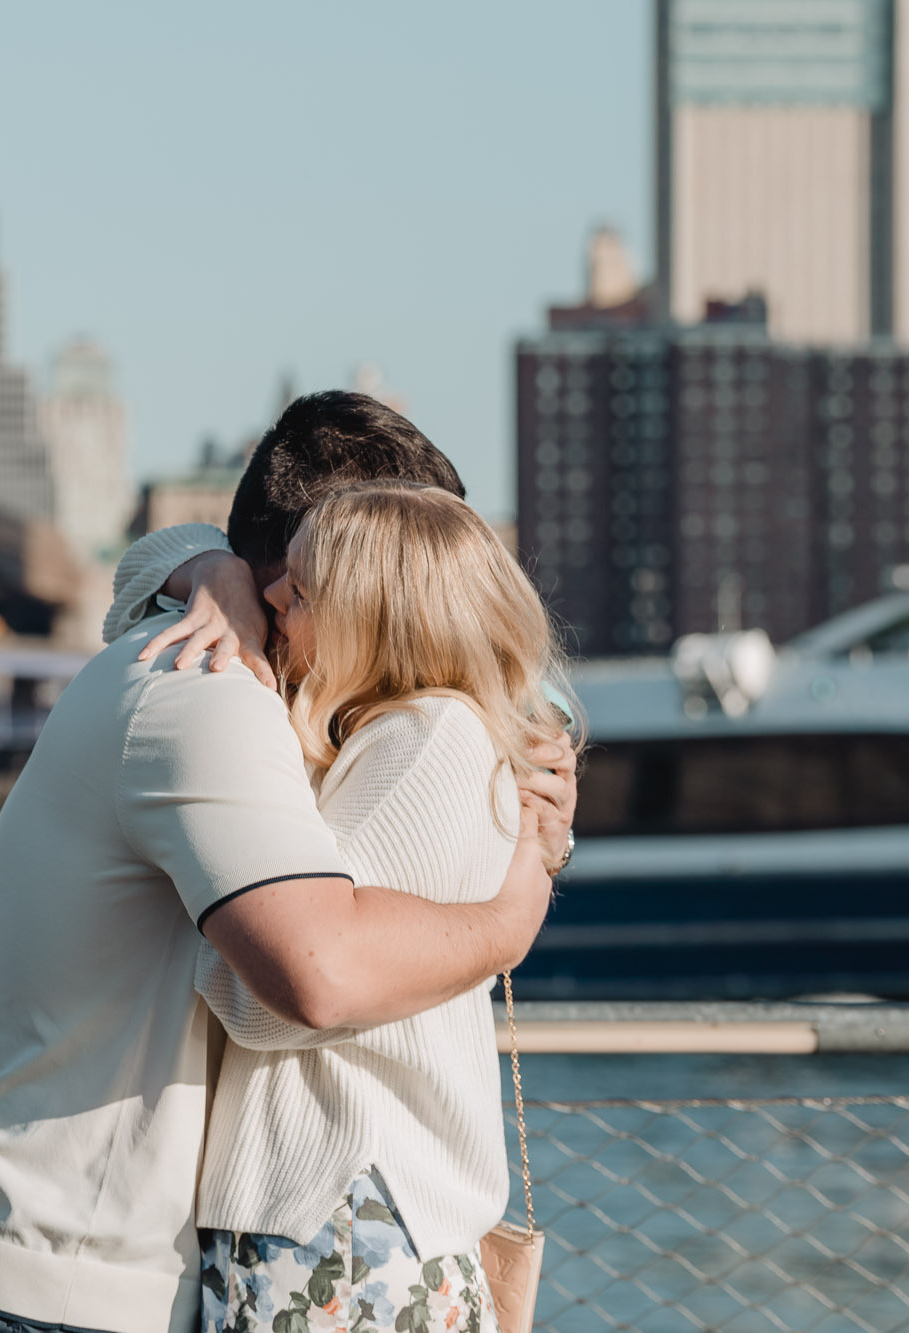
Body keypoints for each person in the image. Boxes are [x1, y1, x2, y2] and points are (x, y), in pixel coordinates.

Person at [0, 391, 577, 1333]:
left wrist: (207, 566)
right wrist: (515, 914)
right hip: (40, 1288)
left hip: (53, 1273)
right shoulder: (213, 687)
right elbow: (316, 972)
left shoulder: (321, 712)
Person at [180, 480, 573, 1333]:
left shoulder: (423, 743)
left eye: (300, 590)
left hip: (343, 1229)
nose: (271, 597)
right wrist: (215, 573)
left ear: (372, 618)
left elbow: (281, 996)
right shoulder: (411, 735)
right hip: (352, 1224)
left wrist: (203, 928)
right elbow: (139, 571)